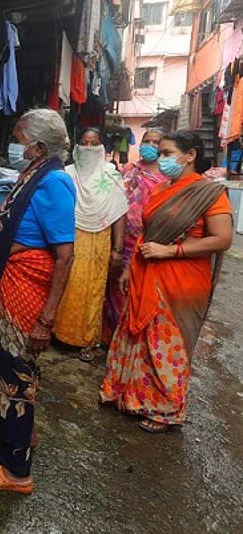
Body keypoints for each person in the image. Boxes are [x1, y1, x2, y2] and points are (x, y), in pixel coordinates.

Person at [0, 108, 76, 494]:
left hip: (25, 287)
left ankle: (17, 471)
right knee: (1, 362)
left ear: (39, 147)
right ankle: (14, 434)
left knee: (16, 370)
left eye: (18, 141)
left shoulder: (54, 182)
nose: (13, 147)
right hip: (9, 285)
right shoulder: (34, 173)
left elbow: (65, 255)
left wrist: (47, 319)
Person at [101, 130, 232, 433]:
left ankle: (164, 409)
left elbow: (222, 239)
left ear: (190, 155)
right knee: (139, 337)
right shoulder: (162, 188)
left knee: (166, 343)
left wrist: (170, 251)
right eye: (159, 153)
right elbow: (147, 233)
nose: (160, 159)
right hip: (146, 270)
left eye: (167, 153)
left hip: (181, 282)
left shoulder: (209, 193)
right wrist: (128, 269)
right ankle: (131, 396)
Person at [53, 127, 128, 362]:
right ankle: (59, 333)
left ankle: (87, 339)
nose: (88, 148)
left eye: (93, 143)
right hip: (69, 236)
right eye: (84, 143)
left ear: (101, 146)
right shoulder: (67, 174)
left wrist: (118, 249)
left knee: (93, 289)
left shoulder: (111, 175)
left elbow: (119, 213)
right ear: (76, 146)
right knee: (66, 285)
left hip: (99, 238)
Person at [102, 128, 168, 343]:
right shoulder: (130, 169)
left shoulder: (167, 177)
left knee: (137, 290)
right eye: (146, 141)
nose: (150, 145)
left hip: (149, 243)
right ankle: (110, 337)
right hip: (121, 238)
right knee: (113, 288)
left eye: (155, 142)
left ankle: (132, 339)